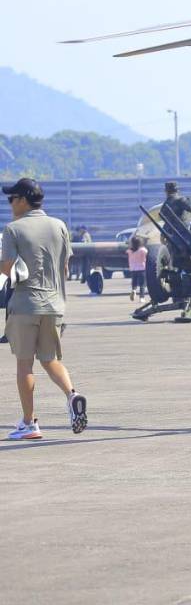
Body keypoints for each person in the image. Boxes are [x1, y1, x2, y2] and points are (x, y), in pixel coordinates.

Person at [1, 178, 88, 440]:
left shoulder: (13, 229)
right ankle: (72, 395)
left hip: (26, 305)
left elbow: (7, 269)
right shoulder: (59, 225)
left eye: (11, 198)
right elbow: (65, 267)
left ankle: (29, 423)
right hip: (54, 305)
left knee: (24, 365)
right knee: (51, 360)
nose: (9, 203)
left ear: (24, 200)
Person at [127, 236, 148, 301]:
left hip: (133, 269)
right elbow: (147, 253)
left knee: (134, 282)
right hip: (141, 268)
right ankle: (142, 297)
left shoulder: (129, 251)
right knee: (142, 284)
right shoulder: (143, 250)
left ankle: (134, 290)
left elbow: (127, 252)